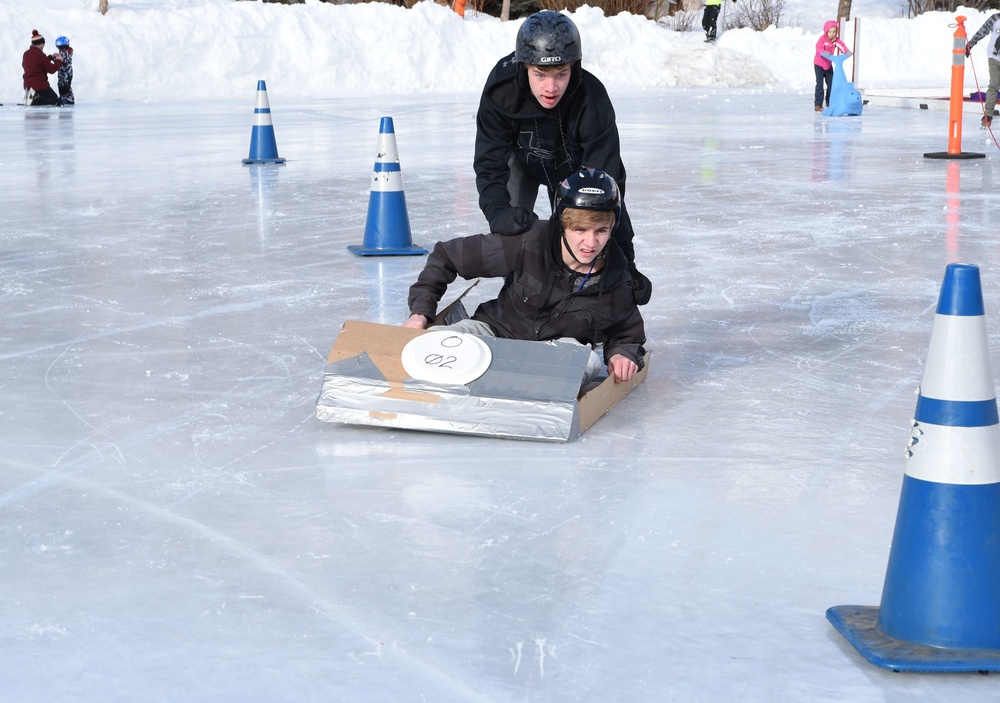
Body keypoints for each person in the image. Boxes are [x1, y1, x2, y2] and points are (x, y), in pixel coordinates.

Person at [403, 168, 645, 386]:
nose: (591, 243)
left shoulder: (617, 279)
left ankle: (501, 383)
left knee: (587, 362)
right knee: (425, 346)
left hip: (551, 357)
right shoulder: (528, 242)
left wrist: (621, 353)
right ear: (563, 224)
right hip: (493, 334)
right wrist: (420, 312)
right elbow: (447, 256)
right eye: (580, 229)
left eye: (601, 231)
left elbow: (627, 333)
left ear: (611, 229)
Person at [473, 10, 651, 306]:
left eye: (561, 74)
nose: (551, 87)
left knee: (585, 229)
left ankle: (590, 301)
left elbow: (608, 188)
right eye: (539, 75)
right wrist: (497, 212)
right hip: (521, 164)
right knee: (512, 231)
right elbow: (489, 163)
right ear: (523, 68)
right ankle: (519, 301)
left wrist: (625, 266)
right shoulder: (500, 92)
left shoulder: (591, 100)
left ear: (575, 69)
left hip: (574, 169)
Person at [967, 12, 1000, 127]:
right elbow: (982, 31)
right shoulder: (995, 18)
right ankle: (988, 115)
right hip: (994, 58)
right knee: (994, 85)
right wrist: (970, 44)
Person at [814, 21, 849, 113]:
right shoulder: (822, 39)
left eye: (834, 32)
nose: (832, 34)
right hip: (819, 64)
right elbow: (818, 47)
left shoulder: (836, 40)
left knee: (831, 84)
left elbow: (842, 46)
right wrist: (824, 53)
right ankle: (818, 104)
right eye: (830, 32)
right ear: (826, 32)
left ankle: (830, 102)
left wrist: (847, 52)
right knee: (820, 84)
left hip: (828, 65)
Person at [22, 29, 62, 107]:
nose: (43, 46)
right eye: (43, 44)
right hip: (40, 86)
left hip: (28, 85)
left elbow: (37, 63)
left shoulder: (26, 54)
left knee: (51, 98)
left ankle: (31, 96)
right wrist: (59, 61)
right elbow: (51, 69)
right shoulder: (40, 54)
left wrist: (50, 57)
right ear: (41, 44)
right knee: (56, 101)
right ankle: (36, 98)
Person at [55, 36, 74, 106]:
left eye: (63, 47)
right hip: (61, 73)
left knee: (66, 85)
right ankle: (63, 97)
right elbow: (58, 60)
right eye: (60, 48)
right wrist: (55, 58)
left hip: (67, 72)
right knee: (60, 85)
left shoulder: (68, 52)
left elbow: (68, 61)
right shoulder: (61, 52)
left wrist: (62, 60)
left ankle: (69, 99)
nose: (61, 49)